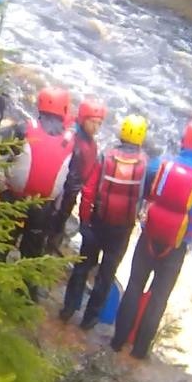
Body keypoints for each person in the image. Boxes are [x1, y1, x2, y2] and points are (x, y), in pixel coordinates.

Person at [111, 118, 192, 359]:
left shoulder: (161, 164)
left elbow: (145, 188)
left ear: (183, 140)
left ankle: (117, 341)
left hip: (149, 237)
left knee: (134, 285)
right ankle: (140, 351)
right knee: (158, 298)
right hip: (176, 246)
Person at [60, 114, 149, 330]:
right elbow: (145, 197)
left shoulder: (106, 156)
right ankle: (89, 320)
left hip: (98, 222)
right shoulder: (146, 164)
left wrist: (84, 218)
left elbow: (89, 190)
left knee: (83, 266)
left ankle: (69, 309)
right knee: (106, 275)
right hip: (122, 229)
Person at [0, 87, 75, 298]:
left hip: (13, 199)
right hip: (43, 208)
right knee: (32, 255)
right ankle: (25, 299)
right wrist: (60, 218)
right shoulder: (71, 142)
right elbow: (72, 183)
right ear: (64, 110)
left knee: (0, 245)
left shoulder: (24, 128)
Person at [47, 97, 106, 254]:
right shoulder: (72, 138)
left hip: (73, 189)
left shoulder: (89, 143)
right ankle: (47, 246)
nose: (96, 127)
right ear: (83, 119)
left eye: (99, 123)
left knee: (60, 218)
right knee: (55, 217)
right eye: (92, 122)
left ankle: (51, 242)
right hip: (63, 188)